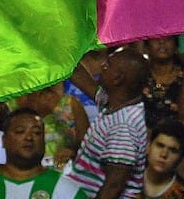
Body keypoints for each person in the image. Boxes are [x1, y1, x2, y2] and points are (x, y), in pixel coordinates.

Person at [58, 48, 150, 199]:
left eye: (108, 65)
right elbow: (80, 76)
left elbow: (113, 186)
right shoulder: (113, 102)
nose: (102, 66)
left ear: (117, 78)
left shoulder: (124, 126)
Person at [0, 109, 63, 199]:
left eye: (37, 132)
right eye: (20, 131)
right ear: (3, 140)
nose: (29, 137)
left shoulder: (68, 190)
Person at [138, 122, 184, 199]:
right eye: (160, 146)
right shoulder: (128, 178)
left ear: (181, 158)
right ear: (148, 147)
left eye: (173, 150)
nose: (164, 154)